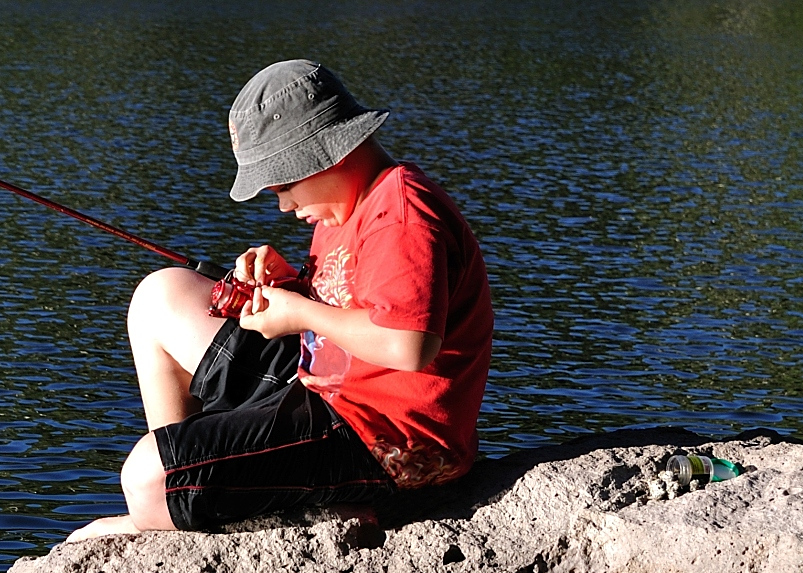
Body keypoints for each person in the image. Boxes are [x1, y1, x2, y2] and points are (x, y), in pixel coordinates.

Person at [67, 59, 492, 540]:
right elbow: (353, 301)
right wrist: (291, 287)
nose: (284, 205)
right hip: (326, 386)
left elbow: (409, 345)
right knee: (159, 298)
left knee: (145, 479)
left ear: (328, 155)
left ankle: (170, 504)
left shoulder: (401, 215)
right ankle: (190, 486)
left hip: (384, 440)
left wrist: (301, 312)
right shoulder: (346, 203)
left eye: (284, 186)